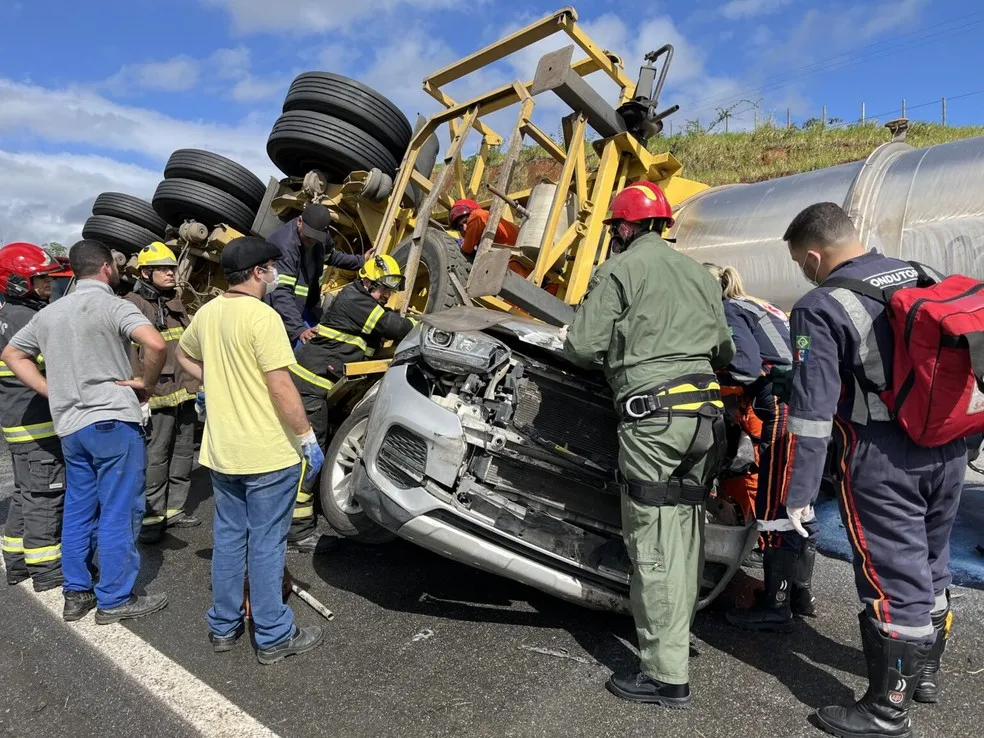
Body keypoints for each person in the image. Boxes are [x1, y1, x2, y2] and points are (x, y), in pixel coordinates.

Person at [780, 202, 963, 737]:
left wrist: (801, 491)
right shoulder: (921, 274)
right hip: (947, 446)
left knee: (891, 575)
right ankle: (924, 675)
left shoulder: (818, 305)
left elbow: (812, 412)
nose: (804, 272)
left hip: (884, 455)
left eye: (801, 263)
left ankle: (887, 709)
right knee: (932, 561)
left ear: (814, 255)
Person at [563, 181, 735, 708]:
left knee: (652, 542)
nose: (616, 235)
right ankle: (675, 648)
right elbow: (725, 350)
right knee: (683, 537)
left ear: (627, 226)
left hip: (653, 422)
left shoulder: (619, 269)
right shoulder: (701, 274)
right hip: (706, 420)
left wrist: (627, 350)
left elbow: (580, 345)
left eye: (617, 227)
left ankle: (665, 676)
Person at [1, 239, 169, 624]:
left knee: (78, 508)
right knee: (118, 510)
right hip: (111, 422)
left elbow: (12, 355)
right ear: (107, 268)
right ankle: (114, 598)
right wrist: (146, 381)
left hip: (70, 428)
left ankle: (76, 593)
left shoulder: (49, 313)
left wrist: (49, 389)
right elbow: (155, 343)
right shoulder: (113, 306)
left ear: (74, 270)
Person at [176, 236, 326, 664]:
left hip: (223, 452)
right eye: (273, 268)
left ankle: (223, 627)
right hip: (267, 452)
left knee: (228, 539)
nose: (276, 274)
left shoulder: (207, 313)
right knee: (266, 544)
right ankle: (274, 635)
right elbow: (281, 385)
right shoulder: (263, 317)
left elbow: (183, 355)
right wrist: (306, 438)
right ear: (259, 272)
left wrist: (213, 380)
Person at [703, 264, 819, 632]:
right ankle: (800, 596)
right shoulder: (758, 304)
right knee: (800, 503)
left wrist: (709, 374)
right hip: (810, 408)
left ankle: (775, 605)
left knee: (773, 506)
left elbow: (746, 368)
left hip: (783, 410)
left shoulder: (728, 310)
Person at [288, 254, 417, 552]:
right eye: (382, 289)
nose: (385, 295)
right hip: (309, 384)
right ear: (367, 281)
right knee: (312, 450)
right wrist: (416, 323)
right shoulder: (356, 300)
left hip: (313, 384)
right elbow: (391, 326)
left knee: (306, 449)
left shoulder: (363, 301)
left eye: (388, 291)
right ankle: (297, 531)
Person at [0, 242, 66, 592]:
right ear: (16, 281)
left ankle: (15, 562)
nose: (47, 286)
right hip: (37, 426)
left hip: (17, 425)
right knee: (45, 496)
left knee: (26, 493)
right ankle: (46, 571)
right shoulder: (29, 319)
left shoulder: (7, 315)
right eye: (40, 280)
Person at [124, 242, 200, 544]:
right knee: (156, 456)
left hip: (183, 390)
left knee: (183, 451)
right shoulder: (133, 305)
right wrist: (137, 393)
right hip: (155, 394)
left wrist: (199, 386)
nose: (171, 272)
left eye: (172, 267)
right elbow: (131, 355)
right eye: (164, 269)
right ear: (145, 272)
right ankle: (151, 518)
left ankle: (175, 509)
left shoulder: (174, 301)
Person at [265, 202, 367, 346]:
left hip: (307, 306)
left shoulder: (321, 238)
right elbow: (281, 293)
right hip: (282, 312)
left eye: (316, 238)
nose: (312, 241)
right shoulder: (284, 247)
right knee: (302, 350)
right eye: (308, 236)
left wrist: (361, 261)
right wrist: (298, 330)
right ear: (300, 221)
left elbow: (331, 257)